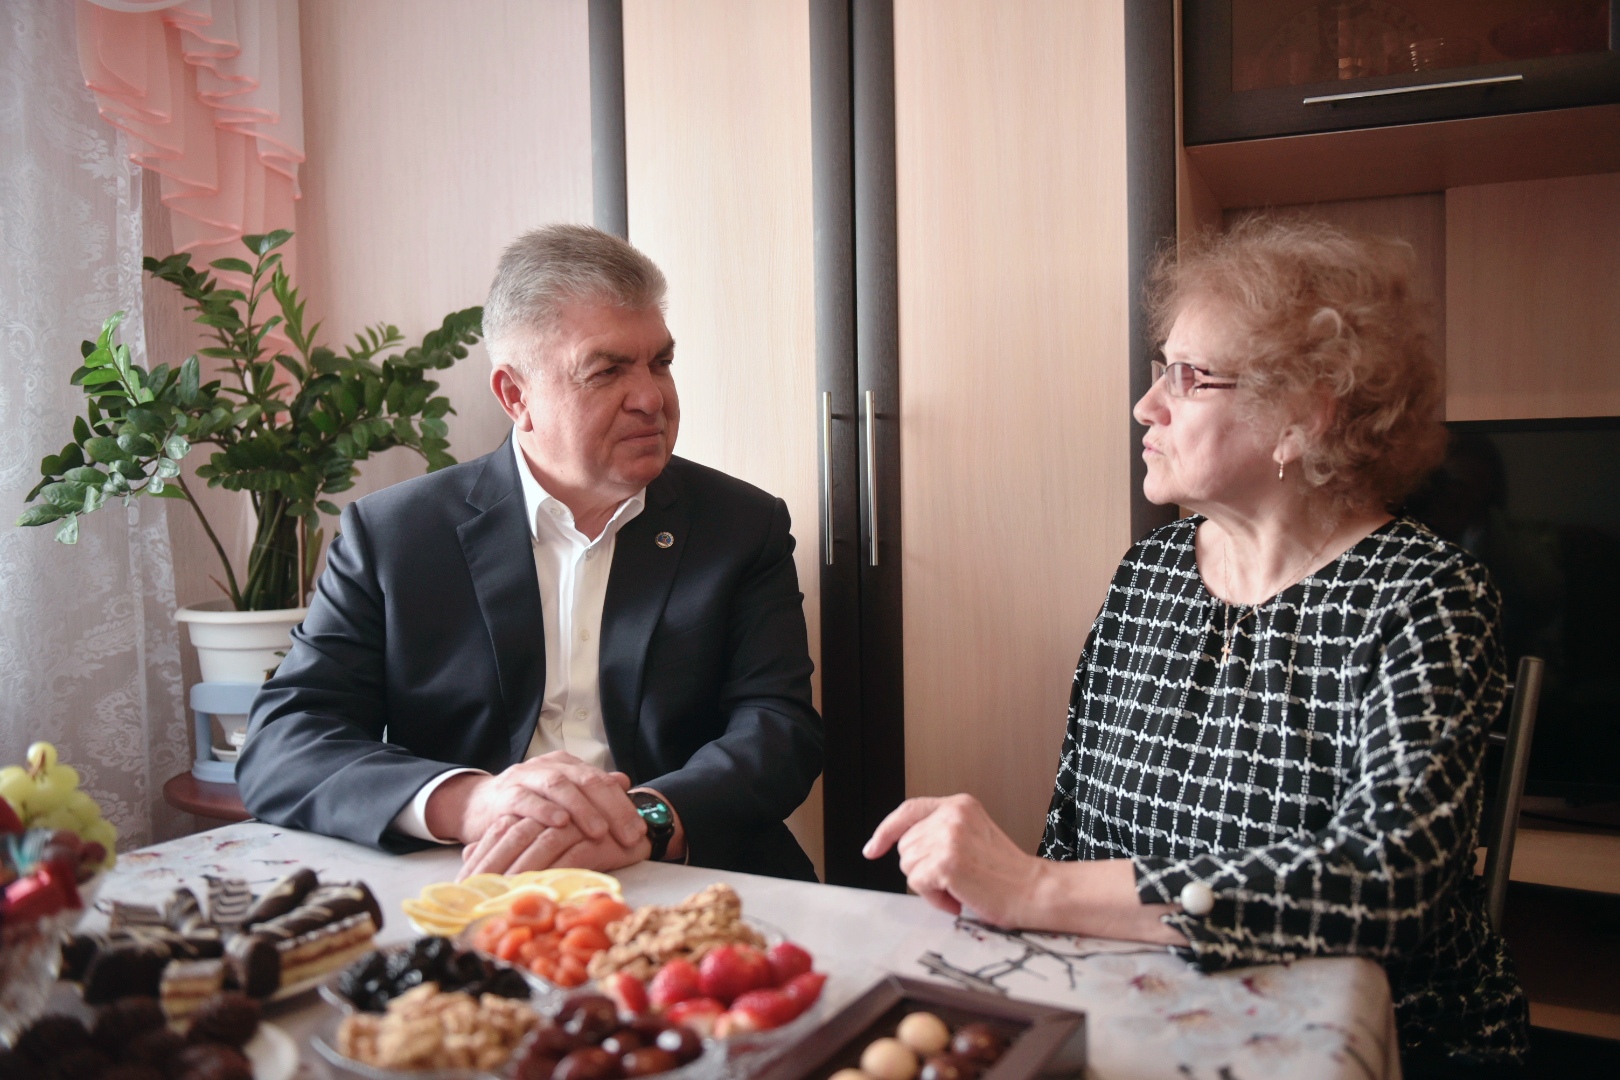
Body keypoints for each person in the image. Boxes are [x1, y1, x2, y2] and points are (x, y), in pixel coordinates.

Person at [863, 218, 1529, 1074]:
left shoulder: (1426, 594)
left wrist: (1034, 887)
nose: (1147, 406)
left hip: (1380, 1042)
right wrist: (1006, 906)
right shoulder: (1148, 573)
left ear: (1303, 415)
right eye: (1160, 369)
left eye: (1188, 376)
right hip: (1144, 1006)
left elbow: (1388, 881)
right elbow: (1074, 832)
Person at [238, 224, 823, 882]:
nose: (651, 398)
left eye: (660, 362)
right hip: (473, 875)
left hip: (683, 872)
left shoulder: (740, 525)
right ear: (516, 396)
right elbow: (285, 741)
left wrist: (645, 820)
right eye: (607, 371)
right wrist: (474, 803)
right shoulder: (395, 536)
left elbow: (779, 730)